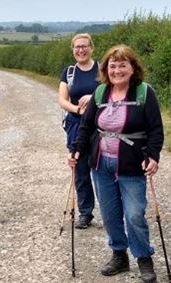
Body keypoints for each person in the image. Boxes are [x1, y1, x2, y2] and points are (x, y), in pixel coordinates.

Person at [69, 44, 164, 282]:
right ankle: (119, 255)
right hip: (101, 165)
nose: (117, 70)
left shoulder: (144, 92)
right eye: (113, 66)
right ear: (106, 69)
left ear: (133, 68)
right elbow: (86, 126)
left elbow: (156, 130)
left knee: (134, 215)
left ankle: (143, 258)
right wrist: (77, 150)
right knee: (110, 215)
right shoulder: (101, 93)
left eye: (123, 65)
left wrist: (153, 155)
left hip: (132, 166)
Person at [58, 33, 99, 229]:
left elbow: (112, 93)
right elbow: (62, 99)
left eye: (84, 46)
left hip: (101, 126)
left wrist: (93, 97)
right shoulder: (69, 72)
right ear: (73, 50)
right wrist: (77, 109)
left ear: (92, 48)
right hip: (76, 125)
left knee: (102, 169)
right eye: (77, 47)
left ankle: (112, 210)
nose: (80, 50)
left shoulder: (102, 70)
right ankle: (85, 212)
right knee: (80, 170)